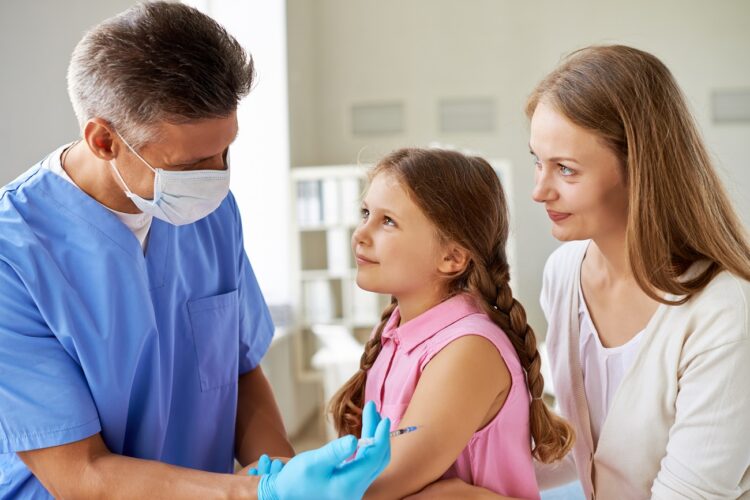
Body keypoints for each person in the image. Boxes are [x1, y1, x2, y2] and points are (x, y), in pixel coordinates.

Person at [0, 3, 390, 498]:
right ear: (103, 140)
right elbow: (82, 474)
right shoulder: (13, 259)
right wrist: (256, 493)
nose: (216, 175)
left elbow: (241, 373)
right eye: (193, 162)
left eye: (225, 151)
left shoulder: (212, 212)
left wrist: (284, 474)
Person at [410, 45, 750, 499]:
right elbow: (589, 448)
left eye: (566, 170)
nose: (538, 191)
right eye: (537, 161)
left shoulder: (724, 311)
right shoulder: (565, 273)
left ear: (641, 171)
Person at [327, 148, 574, 499]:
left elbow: (378, 486)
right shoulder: (393, 333)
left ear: (453, 257)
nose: (360, 234)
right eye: (366, 213)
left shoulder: (469, 350)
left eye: (388, 221)